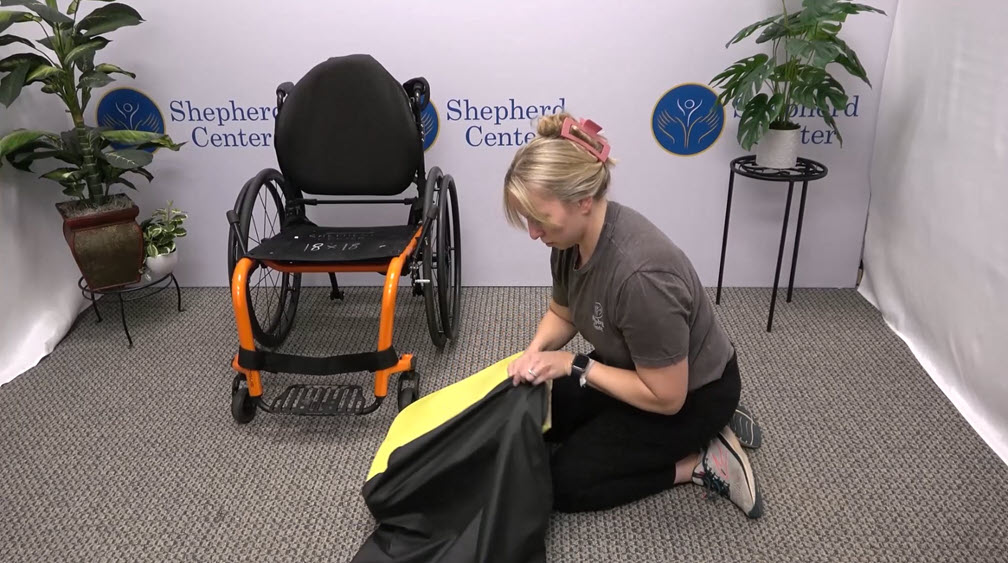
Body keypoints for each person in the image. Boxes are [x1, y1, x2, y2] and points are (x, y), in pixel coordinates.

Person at [502, 112, 764, 518]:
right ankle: (700, 434)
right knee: (538, 414)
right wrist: (535, 352)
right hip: (634, 367)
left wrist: (572, 364)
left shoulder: (643, 276)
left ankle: (700, 462)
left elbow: (666, 396)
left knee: (563, 485)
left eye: (539, 220)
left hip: (688, 395)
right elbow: (563, 311)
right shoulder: (569, 239)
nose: (534, 233)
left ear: (583, 201)